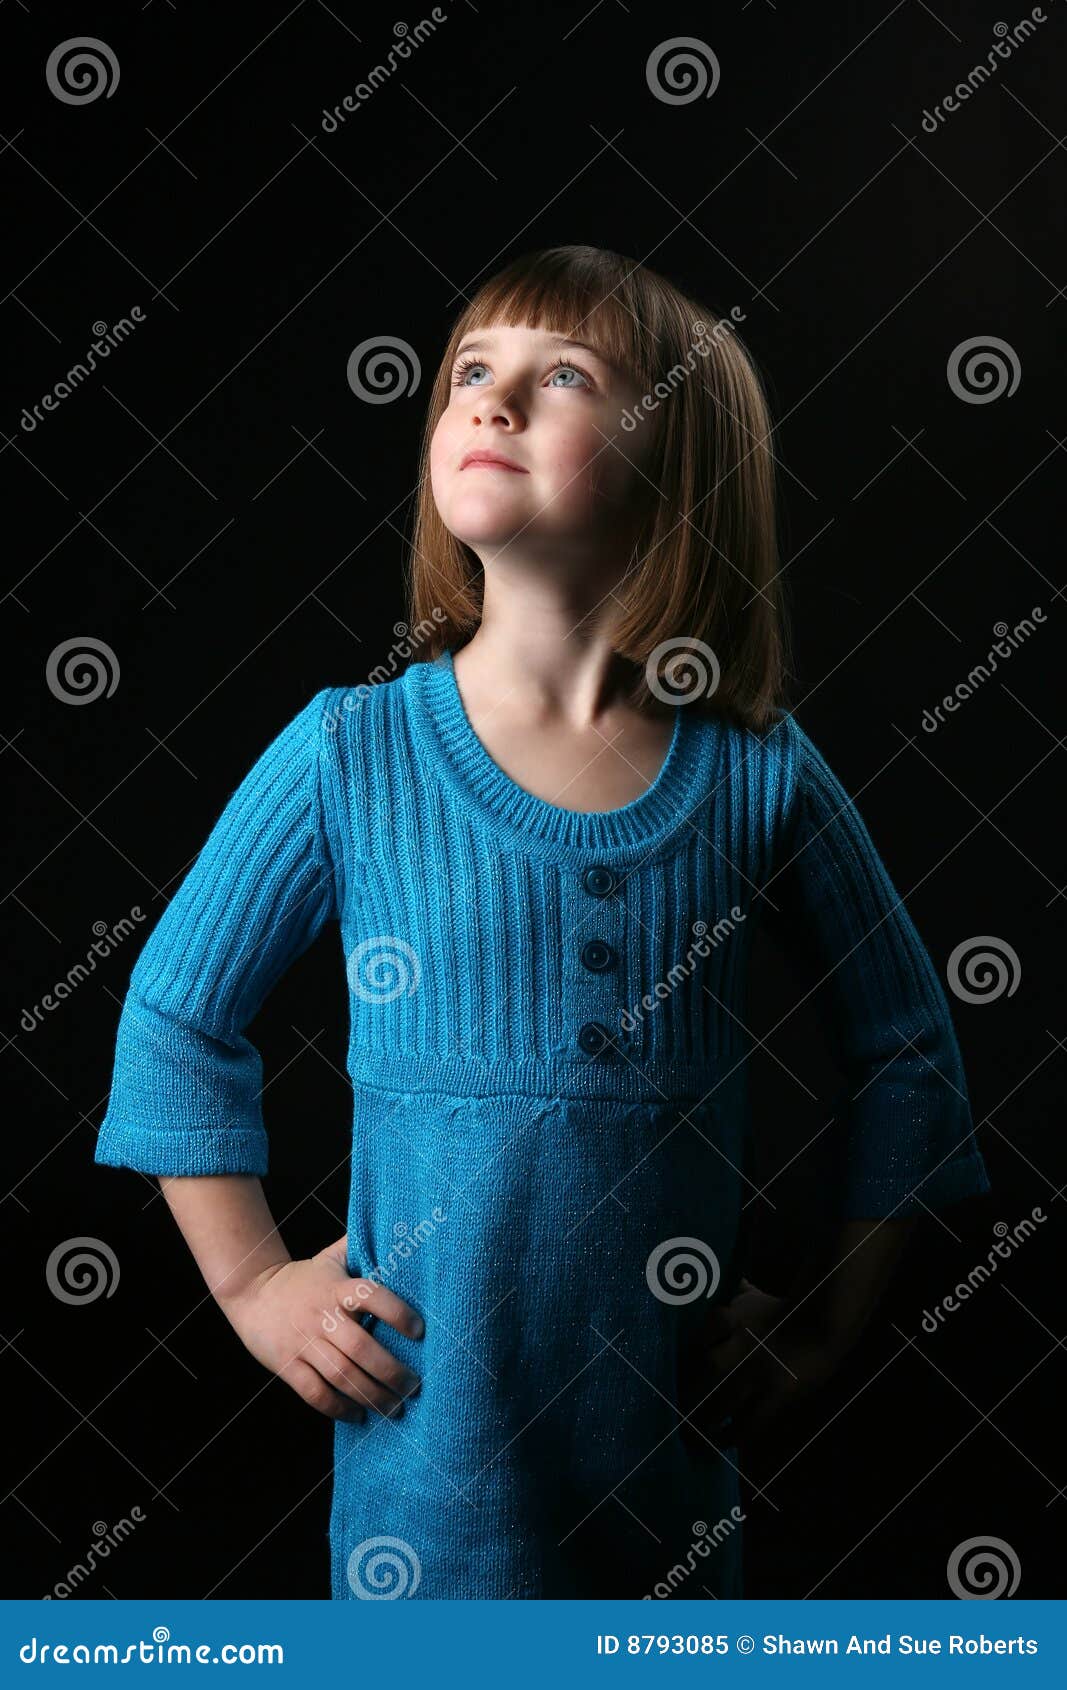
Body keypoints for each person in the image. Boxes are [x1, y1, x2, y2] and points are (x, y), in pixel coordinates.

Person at [94, 245, 990, 1600]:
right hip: (422, 1526)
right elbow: (173, 1011)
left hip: (666, 1521)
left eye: (563, 376)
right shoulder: (355, 750)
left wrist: (820, 1326)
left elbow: (909, 1048)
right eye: (471, 372)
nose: (493, 401)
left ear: (678, 466)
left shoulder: (758, 770)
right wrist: (252, 1286)